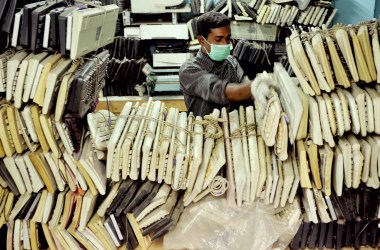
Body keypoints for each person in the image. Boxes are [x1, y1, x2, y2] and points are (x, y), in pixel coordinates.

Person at [179, 11, 253, 117]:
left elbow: (244, 92)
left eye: (228, 39)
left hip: (233, 128)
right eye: (218, 39)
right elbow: (217, 90)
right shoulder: (189, 70)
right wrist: (254, 87)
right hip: (203, 130)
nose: (225, 44)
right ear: (201, 40)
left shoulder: (232, 63)